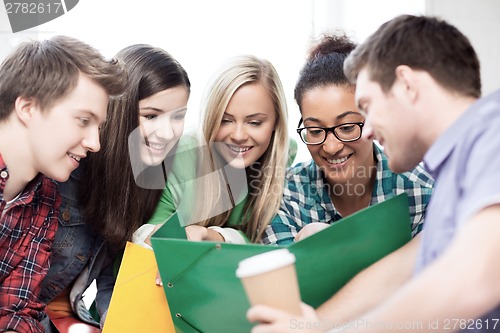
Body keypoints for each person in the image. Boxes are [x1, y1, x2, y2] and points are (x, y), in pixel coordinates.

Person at [247, 14, 500, 333]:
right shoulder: (454, 171)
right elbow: (397, 272)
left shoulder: (494, 132)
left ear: (407, 85)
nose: (367, 131)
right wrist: (312, 326)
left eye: (367, 107)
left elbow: (473, 279)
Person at [39, 44, 190, 332]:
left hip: (72, 317)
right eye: (151, 115)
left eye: (178, 116)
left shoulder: (148, 182)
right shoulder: (66, 168)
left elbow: (113, 278)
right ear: (120, 110)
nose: (168, 132)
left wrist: (120, 322)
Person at [0, 36, 125, 333]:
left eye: (99, 127)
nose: (95, 143)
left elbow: (14, 310)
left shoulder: (44, 198)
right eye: (83, 120)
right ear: (28, 107)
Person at [262, 33, 433, 246]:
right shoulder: (285, 194)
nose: (331, 147)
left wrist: (338, 243)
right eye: (315, 130)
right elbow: (284, 277)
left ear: (371, 119)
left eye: (347, 127)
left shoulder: (420, 190)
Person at [146, 54, 291, 244]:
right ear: (210, 119)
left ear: (276, 123)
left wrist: (216, 237)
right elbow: (150, 242)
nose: (238, 135)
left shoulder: (284, 155)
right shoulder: (177, 158)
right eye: (225, 120)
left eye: (254, 122)